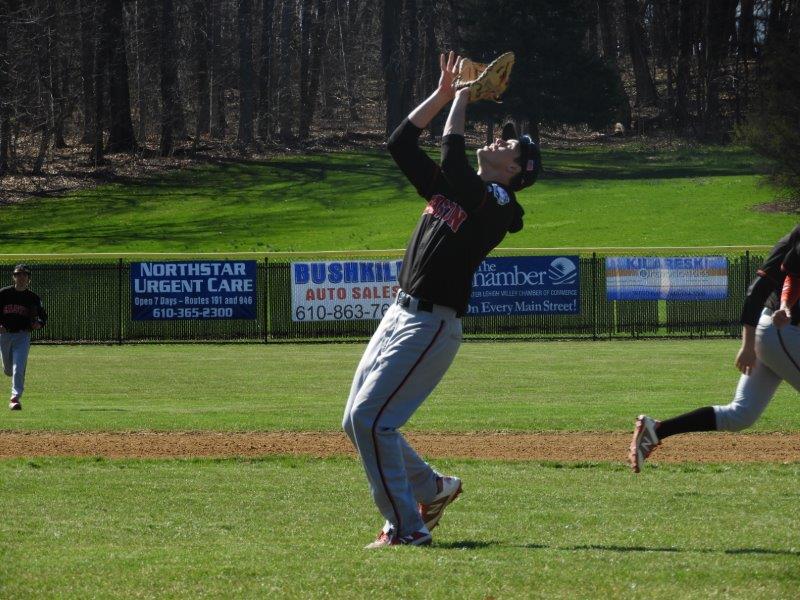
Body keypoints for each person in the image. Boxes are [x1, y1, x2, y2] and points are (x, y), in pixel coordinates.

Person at [342, 52, 541, 548]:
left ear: (516, 170)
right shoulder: (462, 190)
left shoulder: (500, 204)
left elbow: (453, 154)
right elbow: (401, 143)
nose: (497, 140)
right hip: (398, 314)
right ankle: (433, 489)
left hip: (431, 326)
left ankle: (406, 528)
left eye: (507, 144)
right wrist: (442, 94)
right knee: (356, 421)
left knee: (372, 420)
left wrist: (464, 98)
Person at [630, 225, 800, 472]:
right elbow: (757, 292)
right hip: (780, 330)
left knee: (740, 414)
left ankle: (657, 430)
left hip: (781, 333)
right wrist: (747, 344)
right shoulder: (794, 241)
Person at [0, 264, 47, 410]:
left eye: (24, 275)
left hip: (22, 336)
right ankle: (8, 371)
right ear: (13, 277)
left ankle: (15, 398)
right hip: (4, 335)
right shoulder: (3, 293)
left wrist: (38, 323)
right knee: (8, 369)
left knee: (18, 368)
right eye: (18, 274)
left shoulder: (33, 298)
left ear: (29, 279)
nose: (21, 277)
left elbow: (43, 317)